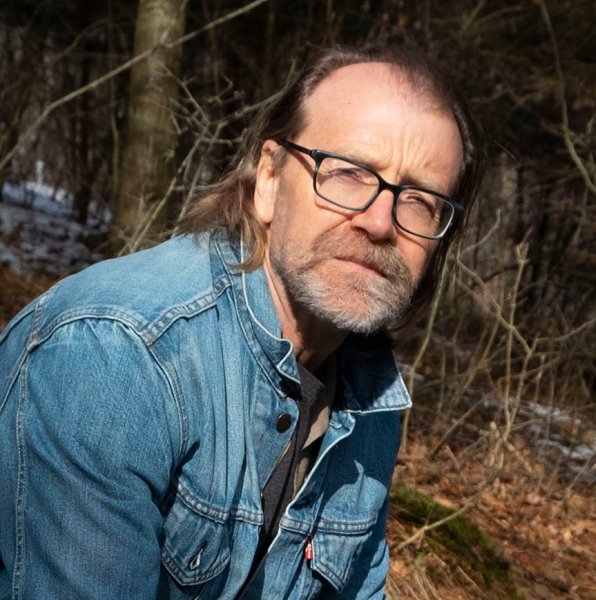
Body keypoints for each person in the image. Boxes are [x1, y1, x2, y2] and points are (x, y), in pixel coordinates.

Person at [0, 45, 483, 599]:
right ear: (270, 180)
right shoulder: (117, 356)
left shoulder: (370, 397)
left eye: (420, 200)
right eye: (348, 173)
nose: (379, 222)